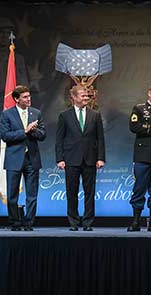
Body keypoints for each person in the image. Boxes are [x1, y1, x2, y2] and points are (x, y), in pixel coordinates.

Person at [56, 85, 105, 231]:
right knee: (71, 192)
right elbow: (59, 139)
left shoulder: (95, 115)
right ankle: (73, 222)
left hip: (90, 159)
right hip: (71, 159)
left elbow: (100, 139)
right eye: (83, 96)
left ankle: (88, 222)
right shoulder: (64, 116)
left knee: (90, 192)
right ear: (74, 98)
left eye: (87, 96)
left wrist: (100, 158)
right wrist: (60, 159)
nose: (86, 98)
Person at [0, 85, 46, 231]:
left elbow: (43, 135)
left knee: (32, 194)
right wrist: (24, 131)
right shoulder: (7, 114)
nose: (28, 99)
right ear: (16, 99)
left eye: (29, 96)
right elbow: (5, 136)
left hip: (32, 159)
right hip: (14, 159)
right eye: (25, 97)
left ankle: (29, 222)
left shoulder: (36, 113)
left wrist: (33, 131)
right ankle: (14, 222)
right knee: (12, 194)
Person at [127, 83, 151, 232]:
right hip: (143, 157)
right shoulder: (139, 109)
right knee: (139, 189)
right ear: (149, 93)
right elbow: (134, 127)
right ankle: (136, 222)